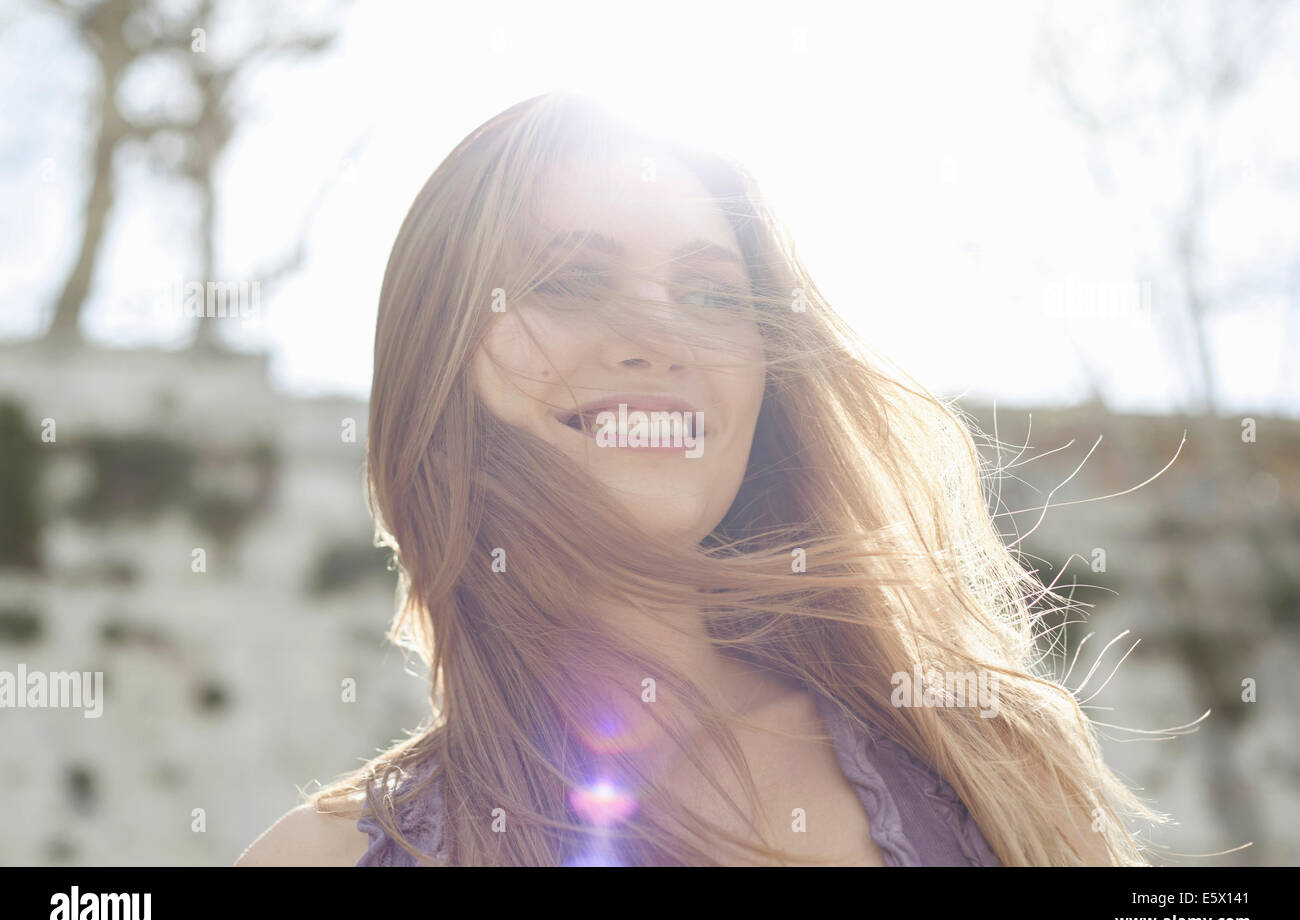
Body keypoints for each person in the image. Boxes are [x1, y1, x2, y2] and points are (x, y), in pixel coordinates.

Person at [238, 91, 1158, 867]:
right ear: (440, 359)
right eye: (569, 280)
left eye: (713, 296)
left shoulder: (992, 764)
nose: (661, 338)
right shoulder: (313, 860)